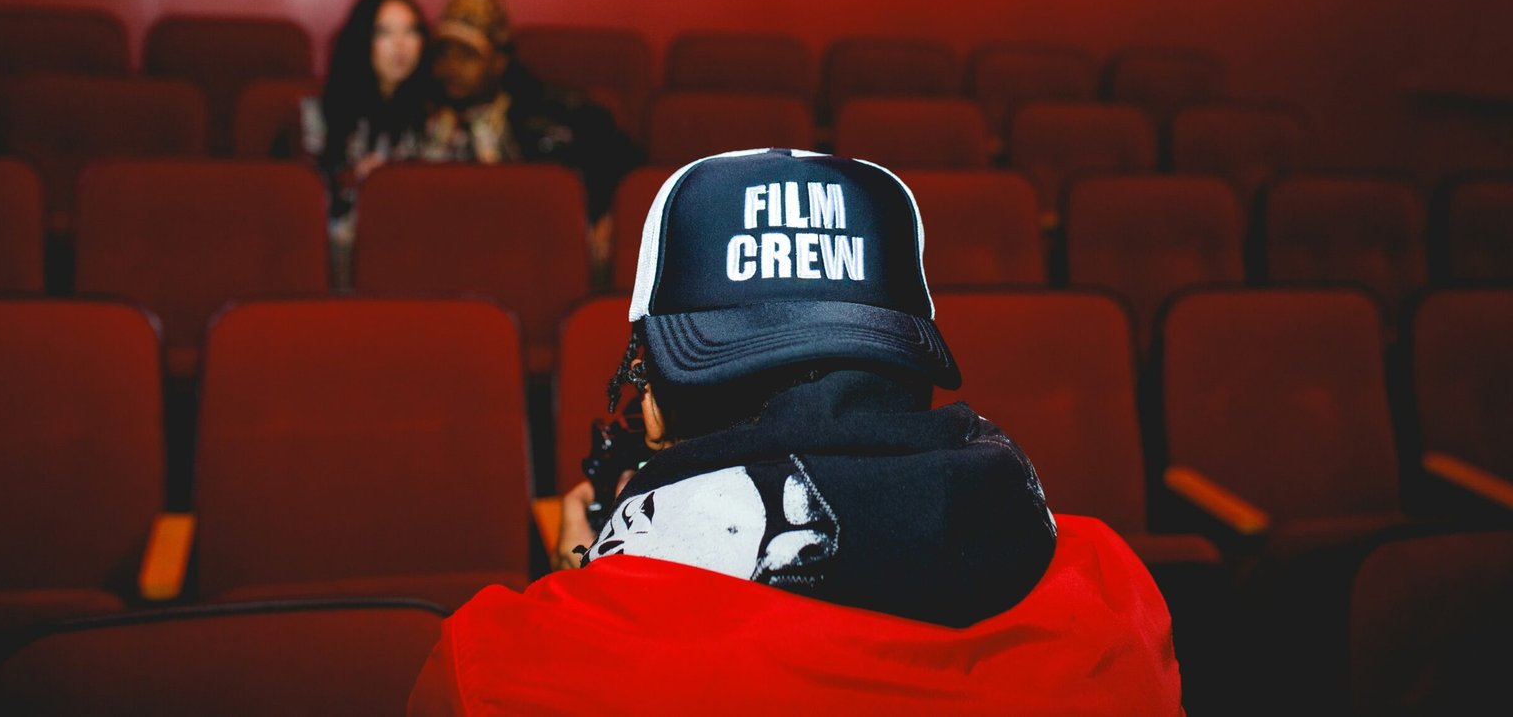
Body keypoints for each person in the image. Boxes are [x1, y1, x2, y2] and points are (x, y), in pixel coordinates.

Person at [408, 148, 1184, 715]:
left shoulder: (500, 666)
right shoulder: (1114, 597)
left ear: (652, 408)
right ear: (908, 368)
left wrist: (584, 590)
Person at [423, 0, 642, 262]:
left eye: (467, 55)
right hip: (445, 250)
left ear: (499, 60)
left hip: (535, 252)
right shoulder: (423, 116)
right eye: (444, 53)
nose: (451, 66)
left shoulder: (559, 114)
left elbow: (629, 174)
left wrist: (610, 216)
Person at [302, 0, 432, 287]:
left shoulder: (437, 118)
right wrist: (356, 182)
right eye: (384, 32)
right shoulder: (318, 115)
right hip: (339, 262)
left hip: (416, 257)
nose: (400, 44)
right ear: (363, 40)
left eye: (411, 31)